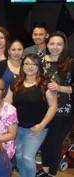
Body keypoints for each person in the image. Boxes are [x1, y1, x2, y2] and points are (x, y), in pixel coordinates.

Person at [6, 53, 57, 177]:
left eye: (33, 64)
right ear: (22, 65)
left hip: (37, 128)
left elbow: (53, 107)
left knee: (27, 157)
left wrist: (41, 125)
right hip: (18, 127)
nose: (29, 67)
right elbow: (7, 104)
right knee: (18, 155)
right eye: (26, 63)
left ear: (39, 66)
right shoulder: (16, 82)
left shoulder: (45, 84)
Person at [37, 31, 74, 177]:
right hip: (43, 109)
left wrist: (60, 88)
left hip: (64, 111)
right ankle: (45, 170)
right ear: (47, 44)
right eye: (52, 43)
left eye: (59, 44)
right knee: (45, 142)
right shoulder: (40, 61)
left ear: (64, 45)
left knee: (55, 142)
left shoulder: (71, 63)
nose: (55, 47)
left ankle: (52, 173)